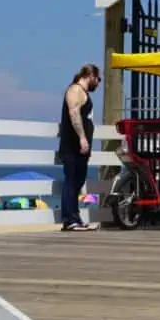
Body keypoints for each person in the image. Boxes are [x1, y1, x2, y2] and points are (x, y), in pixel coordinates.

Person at [58, 63, 101, 231]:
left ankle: (75, 217)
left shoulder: (82, 93)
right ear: (90, 75)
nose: (98, 83)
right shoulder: (75, 90)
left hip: (81, 148)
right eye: (98, 79)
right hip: (73, 146)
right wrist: (82, 138)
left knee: (78, 182)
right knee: (71, 181)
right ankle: (69, 220)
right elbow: (73, 113)